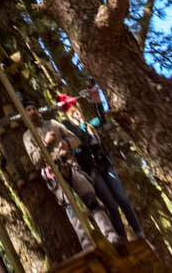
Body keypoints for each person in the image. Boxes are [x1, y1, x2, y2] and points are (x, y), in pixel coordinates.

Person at [22, 104, 127, 249]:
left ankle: (111, 236)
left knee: (91, 200)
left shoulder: (53, 123)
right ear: (24, 115)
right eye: (28, 110)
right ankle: (87, 245)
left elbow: (75, 139)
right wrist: (45, 142)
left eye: (34, 108)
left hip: (71, 165)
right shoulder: (27, 136)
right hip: (54, 173)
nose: (32, 111)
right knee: (71, 208)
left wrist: (66, 143)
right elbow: (35, 160)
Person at [58, 87, 145, 243]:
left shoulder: (88, 125)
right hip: (92, 171)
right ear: (69, 115)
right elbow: (82, 138)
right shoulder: (69, 128)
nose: (77, 114)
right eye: (73, 112)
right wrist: (81, 124)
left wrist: (97, 99)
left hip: (105, 165)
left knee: (122, 199)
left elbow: (101, 119)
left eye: (78, 111)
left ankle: (139, 233)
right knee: (111, 205)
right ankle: (122, 238)